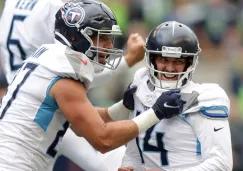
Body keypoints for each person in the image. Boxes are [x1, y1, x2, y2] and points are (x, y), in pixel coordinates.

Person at [0, 2, 186, 171]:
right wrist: (156, 112)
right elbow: (103, 139)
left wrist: (122, 107)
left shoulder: (50, 59)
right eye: (102, 38)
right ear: (76, 37)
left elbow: (80, 125)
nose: (109, 45)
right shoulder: (64, 77)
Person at [118, 21, 233, 171]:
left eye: (178, 61)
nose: (170, 68)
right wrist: (128, 166)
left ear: (190, 62)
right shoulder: (141, 86)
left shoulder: (205, 97)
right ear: (151, 59)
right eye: (163, 59)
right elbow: (134, 154)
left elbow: (221, 164)